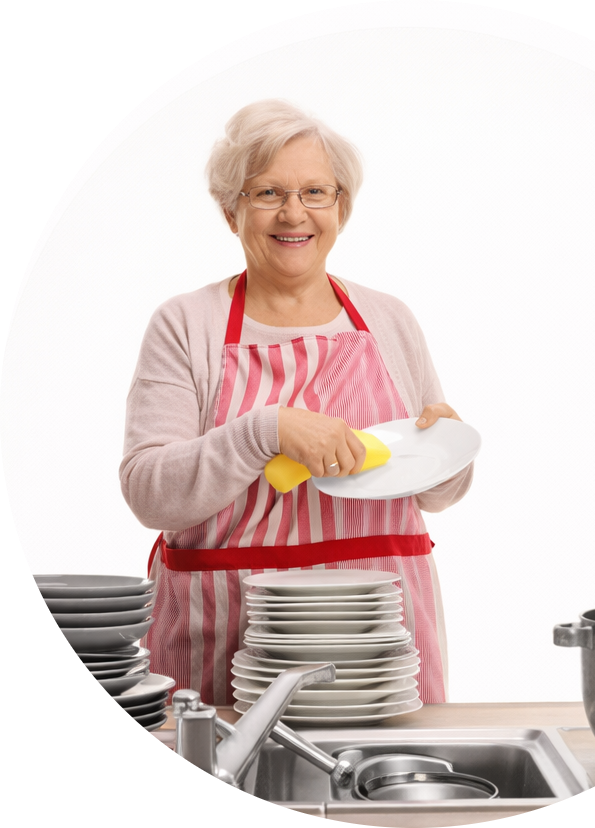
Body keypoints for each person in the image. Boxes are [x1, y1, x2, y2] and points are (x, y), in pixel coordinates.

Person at [120, 99, 473, 705]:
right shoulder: (186, 324)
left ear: (342, 207)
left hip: (378, 648)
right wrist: (266, 430)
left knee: (381, 798)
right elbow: (150, 492)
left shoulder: (388, 318)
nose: (294, 213)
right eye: (267, 193)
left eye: (316, 192)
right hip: (227, 639)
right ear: (231, 211)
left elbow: (436, 495)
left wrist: (447, 452)